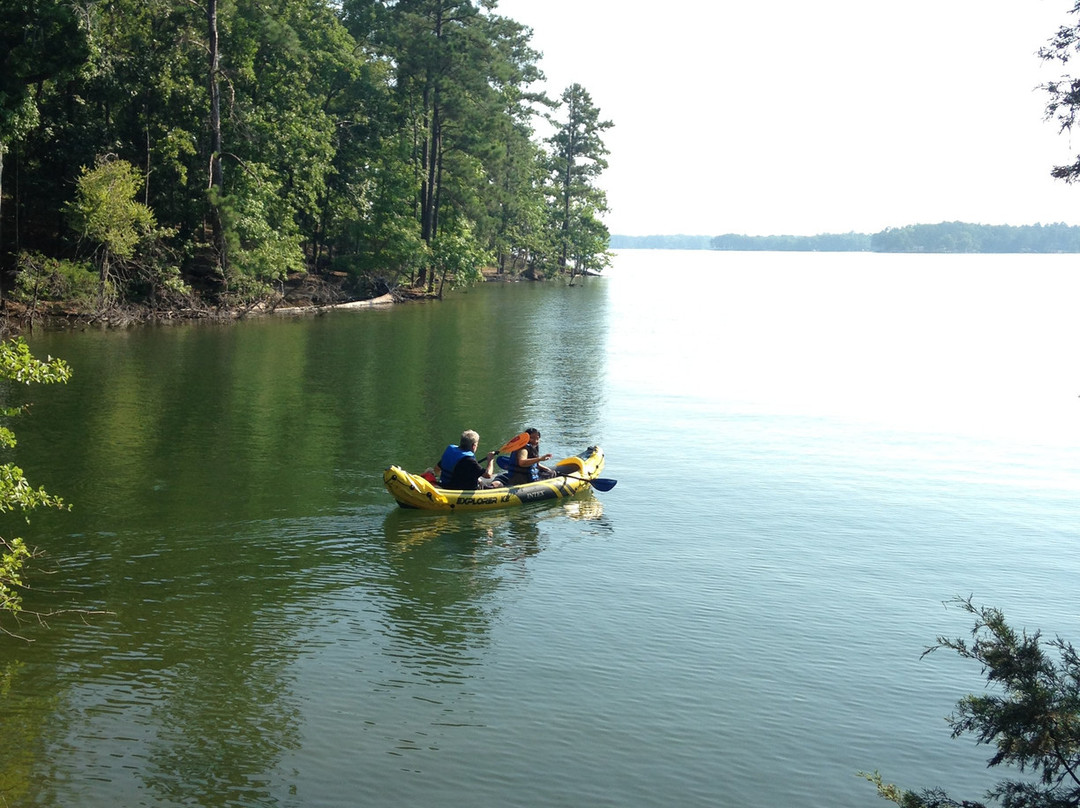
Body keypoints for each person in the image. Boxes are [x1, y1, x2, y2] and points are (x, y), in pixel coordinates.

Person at [435, 429, 501, 490]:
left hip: (445, 485)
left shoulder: (451, 452)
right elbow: (488, 475)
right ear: (474, 446)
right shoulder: (469, 460)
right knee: (498, 484)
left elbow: (437, 469)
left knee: (479, 479)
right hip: (461, 490)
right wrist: (490, 460)